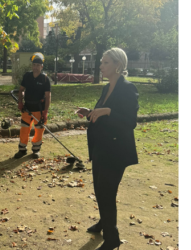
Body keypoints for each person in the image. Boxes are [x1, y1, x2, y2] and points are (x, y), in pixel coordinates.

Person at [76, 48, 139, 250]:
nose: (101, 66)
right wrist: (91, 112)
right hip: (100, 147)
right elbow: (103, 115)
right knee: (99, 190)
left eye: (105, 63)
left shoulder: (128, 89)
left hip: (116, 150)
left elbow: (129, 122)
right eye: (101, 62)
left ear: (117, 65)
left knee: (107, 192)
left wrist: (108, 110)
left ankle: (112, 239)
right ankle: (104, 222)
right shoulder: (106, 88)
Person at [14, 53, 52, 159]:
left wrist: (45, 111)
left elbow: (48, 96)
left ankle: (36, 149)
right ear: (32, 66)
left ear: (42, 67)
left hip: (39, 109)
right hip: (27, 108)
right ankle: (22, 149)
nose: (35, 67)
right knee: (24, 129)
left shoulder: (45, 79)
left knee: (39, 130)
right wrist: (20, 102)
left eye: (38, 65)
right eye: (34, 65)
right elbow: (21, 90)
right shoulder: (27, 76)